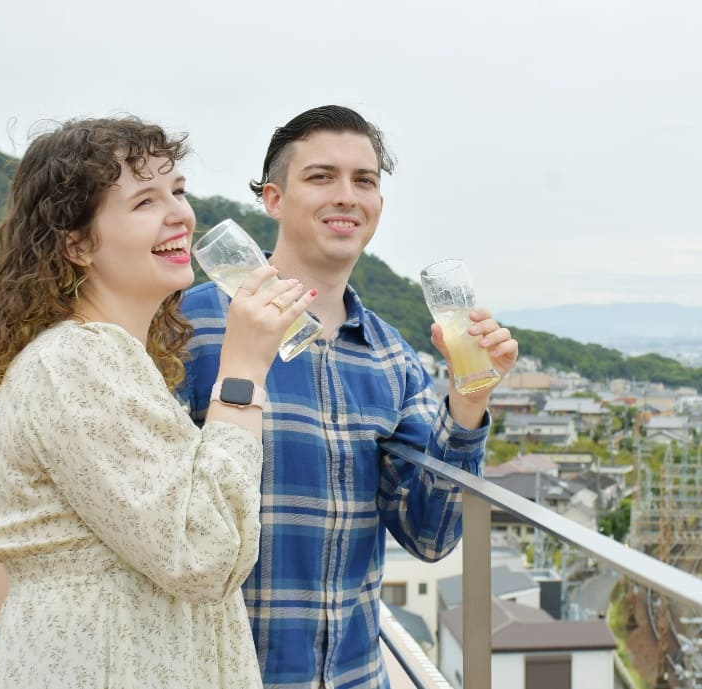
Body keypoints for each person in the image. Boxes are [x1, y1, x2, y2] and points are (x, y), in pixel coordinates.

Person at [0, 116, 316, 689]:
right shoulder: (75, 360)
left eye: (178, 191)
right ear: (76, 244)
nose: (180, 215)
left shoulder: (104, 357)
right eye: (145, 200)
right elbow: (202, 553)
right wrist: (243, 372)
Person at [179, 105, 519, 688]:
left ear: (379, 203)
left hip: (357, 676)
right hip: (218, 675)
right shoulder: (192, 326)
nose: (347, 195)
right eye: (321, 177)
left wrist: (469, 402)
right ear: (273, 199)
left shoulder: (392, 357)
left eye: (364, 180)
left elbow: (430, 535)